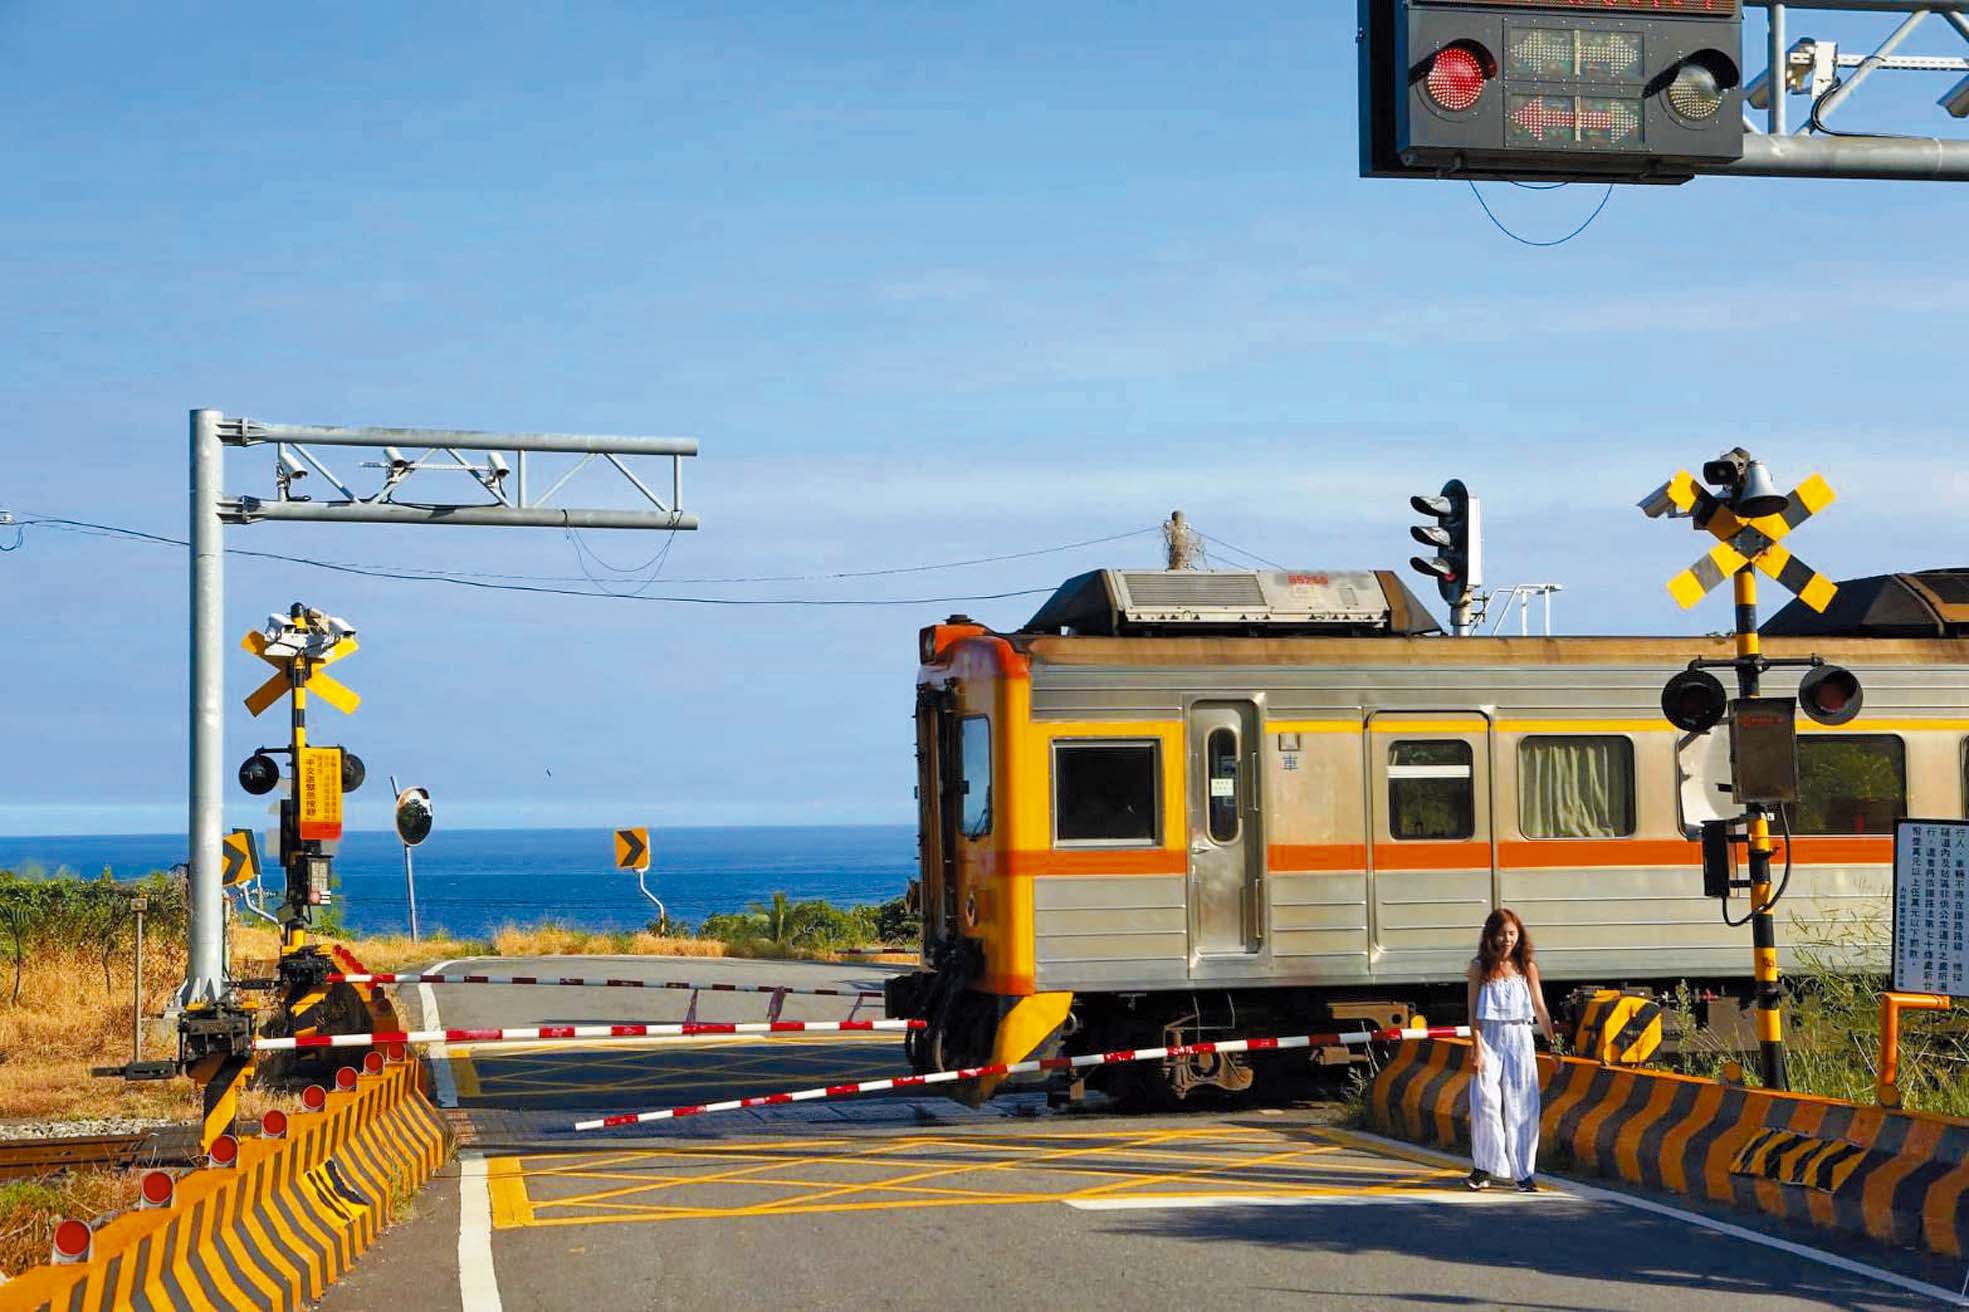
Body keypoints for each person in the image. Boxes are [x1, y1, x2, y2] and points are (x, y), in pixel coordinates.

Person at [1464, 907, 1554, 1192]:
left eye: (1512, 933)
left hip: (1519, 1037)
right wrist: (1476, 1048)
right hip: (1489, 1036)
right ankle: (1485, 1166)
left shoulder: (1527, 967)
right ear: (1490, 935)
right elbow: (1472, 1012)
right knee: (1484, 1102)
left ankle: (1523, 1172)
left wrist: (1553, 1044)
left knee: (1522, 1104)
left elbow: (1540, 1008)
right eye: (1501, 934)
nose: (1507, 940)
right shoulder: (1479, 967)